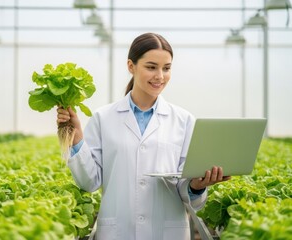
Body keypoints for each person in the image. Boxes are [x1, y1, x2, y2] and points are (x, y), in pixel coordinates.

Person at [56, 32, 231, 240]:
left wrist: (197, 186)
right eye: (151, 67)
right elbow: (89, 182)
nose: (160, 76)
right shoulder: (103, 118)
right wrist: (75, 137)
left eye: (166, 68)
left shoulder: (184, 121)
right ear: (131, 66)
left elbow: (186, 191)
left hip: (167, 232)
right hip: (118, 232)